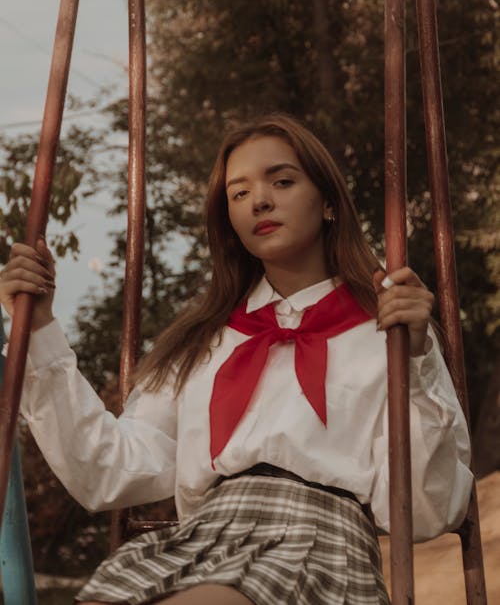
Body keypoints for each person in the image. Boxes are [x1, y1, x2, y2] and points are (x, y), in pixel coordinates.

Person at [0, 113, 472, 605]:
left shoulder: (389, 331)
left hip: (318, 546)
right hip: (202, 540)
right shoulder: (205, 340)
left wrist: (415, 358)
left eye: (282, 181)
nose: (260, 201)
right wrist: (39, 330)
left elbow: (426, 510)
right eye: (239, 194)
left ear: (329, 201)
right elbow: (107, 470)